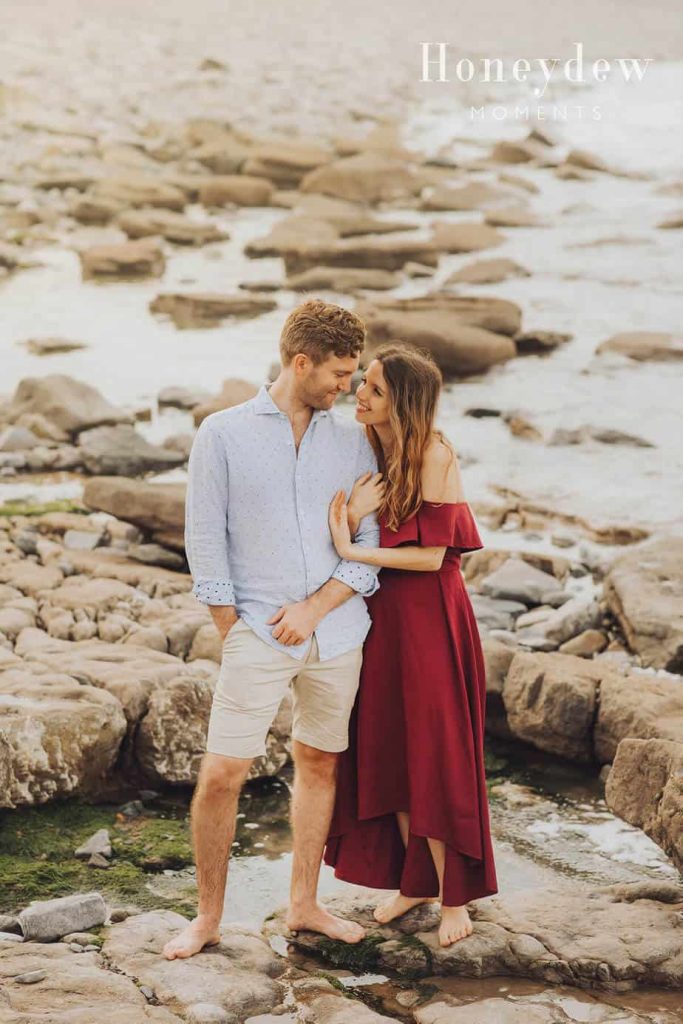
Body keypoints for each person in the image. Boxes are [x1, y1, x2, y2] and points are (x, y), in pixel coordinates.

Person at [163, 299, 383, 960]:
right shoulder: (222, 434)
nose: (347, 386)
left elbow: (366, 547)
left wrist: (316, 609)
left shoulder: (353, 440)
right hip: (254, 633)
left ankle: (304, 904)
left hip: (338, 634)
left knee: (318, 761)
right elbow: (205, 543)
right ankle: (206, 918)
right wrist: (234, 629)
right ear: (300, 362)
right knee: (223, 772)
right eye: (339, 373)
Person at [324, 344, 498, 948]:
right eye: (361, 383)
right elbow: (344, 519)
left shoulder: (432, 452)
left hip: (429, 618)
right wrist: (351, 518)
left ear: (402, 398)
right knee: (391, 749)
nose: (358, 393)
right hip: (383, 618)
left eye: (371, 387)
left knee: (435, 751)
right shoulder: (377, 447)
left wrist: (351, 551)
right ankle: (416, 881)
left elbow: (429, 557)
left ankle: (455, 897)